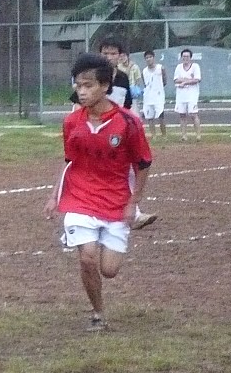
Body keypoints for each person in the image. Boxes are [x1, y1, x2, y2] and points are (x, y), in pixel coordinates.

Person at [43, 53, 153, 332]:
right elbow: (69, 162)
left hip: (116, 201)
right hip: (80, 198)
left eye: (88, 85)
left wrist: (133, 203)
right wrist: (55, 196)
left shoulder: (128, 123)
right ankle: (98, 313)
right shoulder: (71, 122)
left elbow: (142, 164)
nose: (81, 91)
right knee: (87, 258)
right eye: (78, 85)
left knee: (109, 270)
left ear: (105, 86)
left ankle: (111, 249)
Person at [173, 48, 202, 141]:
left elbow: (197, 79)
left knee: (193, 114)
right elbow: (176, 80)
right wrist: (188, 80)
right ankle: (184, 135)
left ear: (190, 57)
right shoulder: (178, 67)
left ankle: (198, 135)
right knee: (182, 115)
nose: (185, 58)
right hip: (181, 94)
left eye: (187, 56)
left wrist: (185, 82)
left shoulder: (195, 66)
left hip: (192, 94)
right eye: (184, 56)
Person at [140, 50, 168, 139]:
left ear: (153, 58)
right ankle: (154, 135)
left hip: (158, 96)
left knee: (161, 116)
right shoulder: (144, 71)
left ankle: (164, 135)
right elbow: (145, 83)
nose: (149, 59)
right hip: (148, 97)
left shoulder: (160, 68)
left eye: (150, 57)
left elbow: (164, 81)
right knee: (149, 117)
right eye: (147, 58)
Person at [98, 40, 133, 111]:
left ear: (119, 56)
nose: (109, 57)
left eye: (113, 54)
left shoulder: (123, 77)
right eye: (105, 53)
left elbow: (127, 105)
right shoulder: (92, 76)